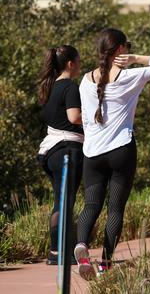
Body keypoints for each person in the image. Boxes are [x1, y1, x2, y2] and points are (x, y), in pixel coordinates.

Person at [74, 28, 150, 280]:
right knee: (116, 209)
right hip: (121, 150)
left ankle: (82, 245)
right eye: (126, 46)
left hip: (92, 153)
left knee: (91, 205)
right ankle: (105, 263)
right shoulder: (131, 76)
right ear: (119, 49)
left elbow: (85, 118)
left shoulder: (85, 81)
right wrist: (135, 59)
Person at [37, 45, 84, 266]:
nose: (81, 65)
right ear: (70, 64)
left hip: (51, 151)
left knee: (60, 202)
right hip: (68, 150)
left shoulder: (49, 87)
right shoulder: (70, 87)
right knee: (65, 203)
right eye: (79, 61)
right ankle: (58, 252)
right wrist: (98, 119)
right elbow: (74, 117)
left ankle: (56, 251)